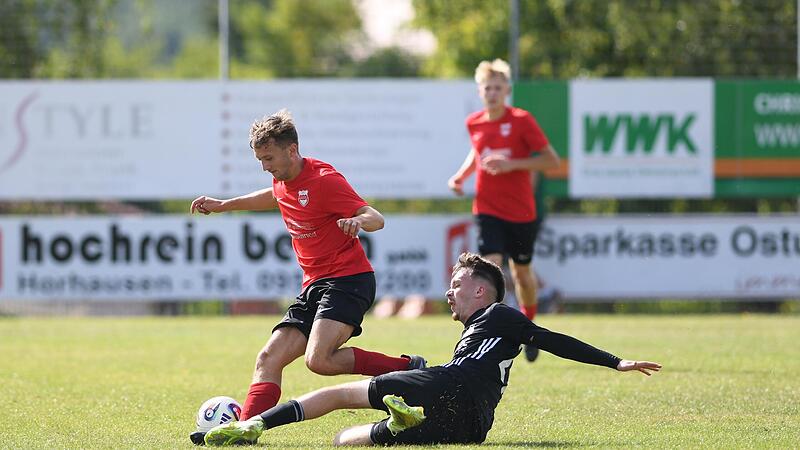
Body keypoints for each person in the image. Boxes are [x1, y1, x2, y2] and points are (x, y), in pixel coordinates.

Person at [200, 253, 662, 447]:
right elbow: (545, 341)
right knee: (345, 440)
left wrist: (614, 361)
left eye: (458, 285)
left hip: (450, 385)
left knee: (339, 394)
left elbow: (553, 340)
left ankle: (253, 426)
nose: (449, 293)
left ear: (482, 293)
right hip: (472, 425)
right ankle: (400, 419)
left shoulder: (499, 314)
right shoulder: (490, 326)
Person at [189, 110, 426, 435]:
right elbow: (273, 196)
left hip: (349, 279)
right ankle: (243, 430)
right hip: (315, 285)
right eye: (260, 160)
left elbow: (376, 217)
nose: (265, 167)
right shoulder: (282, 179)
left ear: (292, 150)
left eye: (269, 158)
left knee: (320, 360)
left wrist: (358, 221)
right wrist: (224, 205)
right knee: (268, 358)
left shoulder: (325, 180)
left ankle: (408, 368)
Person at [448, 58, 560, 362]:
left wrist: (512, 165)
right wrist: (461, 176)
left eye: (498, 87)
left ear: (507, 90)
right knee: (490, 269)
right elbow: (477, 153)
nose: (493, 92)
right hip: (487, 208)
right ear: (480, 91)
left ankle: (530, 327)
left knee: (522, 274)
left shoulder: (522, 120)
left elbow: (551, 161)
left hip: (521, 212)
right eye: (488, 87)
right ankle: (488, 332)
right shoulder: (474, 122)